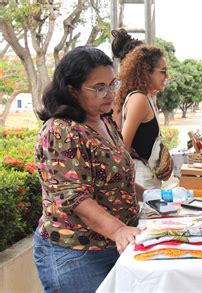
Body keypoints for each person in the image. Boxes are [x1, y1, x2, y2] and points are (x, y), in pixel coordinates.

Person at [33, 46, 143, 292]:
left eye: (113, 84)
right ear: (71, 90)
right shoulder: (61, 131)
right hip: (76, 252)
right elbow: (75, 197)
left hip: (111, 245)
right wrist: (118, 229)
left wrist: (151, 197)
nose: (109, 94)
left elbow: (114, 178)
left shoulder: (103, 120)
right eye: (99, 88)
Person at [113, 32, 171, 189]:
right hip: (141, 181)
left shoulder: (145, 97)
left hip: (147, 179)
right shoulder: (139, 99)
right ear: (146, 72)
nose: (167, 77)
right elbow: (123, 147)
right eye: (163, 71)